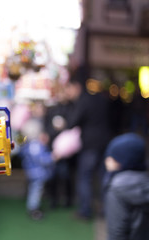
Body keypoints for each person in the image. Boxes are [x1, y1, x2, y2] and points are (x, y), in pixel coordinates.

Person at [66, 72, 111, 220]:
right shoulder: (102, 99)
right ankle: (105, 209)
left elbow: (73, 122)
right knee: (103, 177)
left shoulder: (83, 101)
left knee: (84, 177)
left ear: (76, 86)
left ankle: (86, 211)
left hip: (90, 144)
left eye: (69, 88)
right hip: (104, 142)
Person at [104, 133, 149, 240]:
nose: (106, 160)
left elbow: (116, 232)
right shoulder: (145, 181)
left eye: (112, 157)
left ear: (123, 161)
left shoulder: (116, 188)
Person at [20, 130, 55, 220]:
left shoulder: (31, 144)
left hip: (32, 172)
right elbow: (42, 160)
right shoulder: (36, 146)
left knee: (34, 190)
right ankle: (33, 209)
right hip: (37, 173)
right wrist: (53, 157)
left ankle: (33, 207)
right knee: (36, 191)